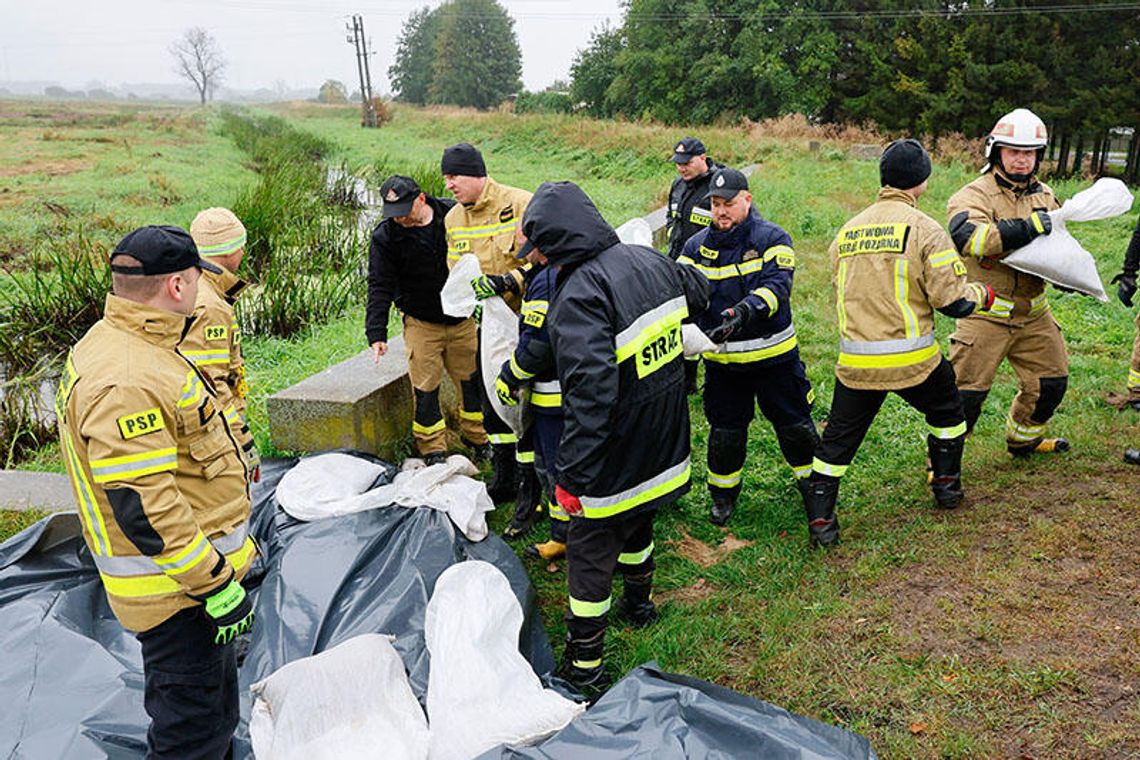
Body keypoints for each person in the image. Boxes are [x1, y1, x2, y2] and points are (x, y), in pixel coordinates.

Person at [56, 225, 256, 758]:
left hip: (188, 587)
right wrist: (213, 583)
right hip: (178, 597)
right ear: (176, 286)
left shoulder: (139, 343)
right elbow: (144, 506)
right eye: (196, 280)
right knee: (188, 731)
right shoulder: (125, 377)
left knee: (213, 714)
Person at [521, 180, 709, 696]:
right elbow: (699, 291)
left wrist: (572, 478)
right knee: (640, 519)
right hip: (663, 441)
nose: (534, 259)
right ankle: (640, 604)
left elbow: (591, 396)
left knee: (588, 554)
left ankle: (584, 667)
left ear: (557, 243)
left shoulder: (580, 294)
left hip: (613, 456)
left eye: (538, 247)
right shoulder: (647, 261)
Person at [806, 140, 995, 548]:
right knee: (949, 413)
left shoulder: (847, 231)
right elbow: (953, 302)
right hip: (915, 364)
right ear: (923, 181)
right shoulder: (926, 230)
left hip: (856, 364)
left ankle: (822, 525)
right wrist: (983, 294)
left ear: (883, 178)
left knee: (836, 443)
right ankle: (946, 487)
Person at [678, 167, 818, 527]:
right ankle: (723, 496)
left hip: (776, 362)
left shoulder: (773, 237)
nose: (721, 212)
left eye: (729, 204)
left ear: (747, 200)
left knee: (795, 428)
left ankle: (815, 488)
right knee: (725, 433)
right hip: (724, 367)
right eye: (715, 204)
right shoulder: (694, 248)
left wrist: (744, 311)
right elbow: (678, 292)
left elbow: (777, 286)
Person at [946, 108, 1068, 456]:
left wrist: (1069, 275)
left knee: (1051, 384)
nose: (1021, 160)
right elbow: (969, 238)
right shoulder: (973, 194)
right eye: (1013, 151)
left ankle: (1024, 439)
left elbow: (1057, 246)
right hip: (986, 314)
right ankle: (942, 467)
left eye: (1029, 152)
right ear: (995, 151)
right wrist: (1026, 228)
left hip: (1034, 315)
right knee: (965, 397)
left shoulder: (1046, 195)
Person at [441, 143, 541, 522]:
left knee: (529, 404)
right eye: (445, 178)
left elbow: (546, 261)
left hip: (530, 322)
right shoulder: (453, 219)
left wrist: (508, 281)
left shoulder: (520, 203)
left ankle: (532, 487)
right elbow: (457, 271)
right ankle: (505, 477)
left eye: (454, 176)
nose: (449, 184)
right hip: (489, 327)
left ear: (476, 174)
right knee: (490, 405)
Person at [366, 175, 487, 465]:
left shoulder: (452, 216)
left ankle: (478, 437)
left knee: (471, 384)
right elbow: (379, 284)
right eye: (394, 215)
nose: (401, 220)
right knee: (426, 388)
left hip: (462, 320)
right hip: (421, 322)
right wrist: (376, 332)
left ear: (421, 199)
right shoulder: (386, 236)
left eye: (405, 212)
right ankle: (433, 449)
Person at [495, 259, 568, 558]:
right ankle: (562, 526)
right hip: (571, 390)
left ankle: (563, 535)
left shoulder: (546, 281)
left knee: (556, 468)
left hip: (554, 396)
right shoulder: (568, 269)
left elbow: (537, 344)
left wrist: (509, 376)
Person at [186, 207, 260, 481]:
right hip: (214, 436)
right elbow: (211, 384)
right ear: (233, 251)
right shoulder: (210, 306)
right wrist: (242, 438)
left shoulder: (201, 286)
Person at [666, 136, 722, 394]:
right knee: (683, 320)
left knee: (709, 320)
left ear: (702, 158)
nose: (681, 168)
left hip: (711, 268)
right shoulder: (678, 185)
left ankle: (719, 375)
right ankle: (687, 381)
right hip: (679, 266)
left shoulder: (719, 186)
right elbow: (671, 220)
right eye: (678, 163)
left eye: (686, 163)